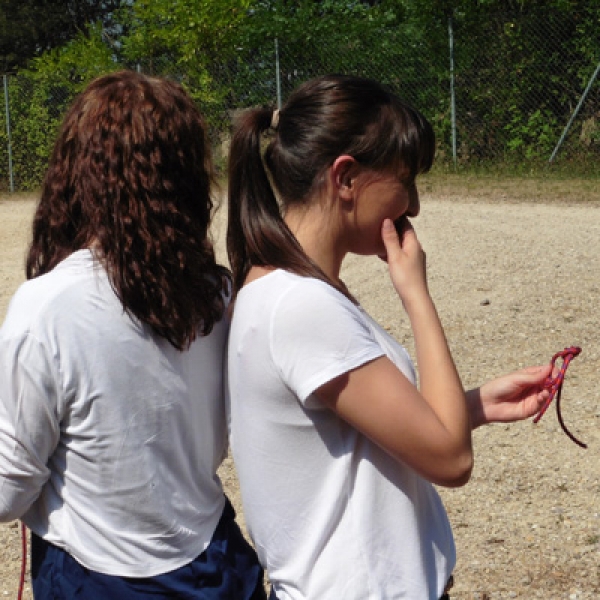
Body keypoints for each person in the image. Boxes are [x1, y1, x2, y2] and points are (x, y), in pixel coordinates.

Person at [225, 74, 552, 600]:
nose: (415, 206)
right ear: (346, 177)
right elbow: (451, 460)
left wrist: (473, 407)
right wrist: (416, 293)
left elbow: (355, 434)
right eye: (406, 180)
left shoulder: (279, 288)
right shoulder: (302, 307)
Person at [0, 70, 265, 599]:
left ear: (77, 171)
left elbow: (8, 493)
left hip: (96, 578)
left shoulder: (47, 306)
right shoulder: (217, 293)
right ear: (188, 177)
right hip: (219, 566)